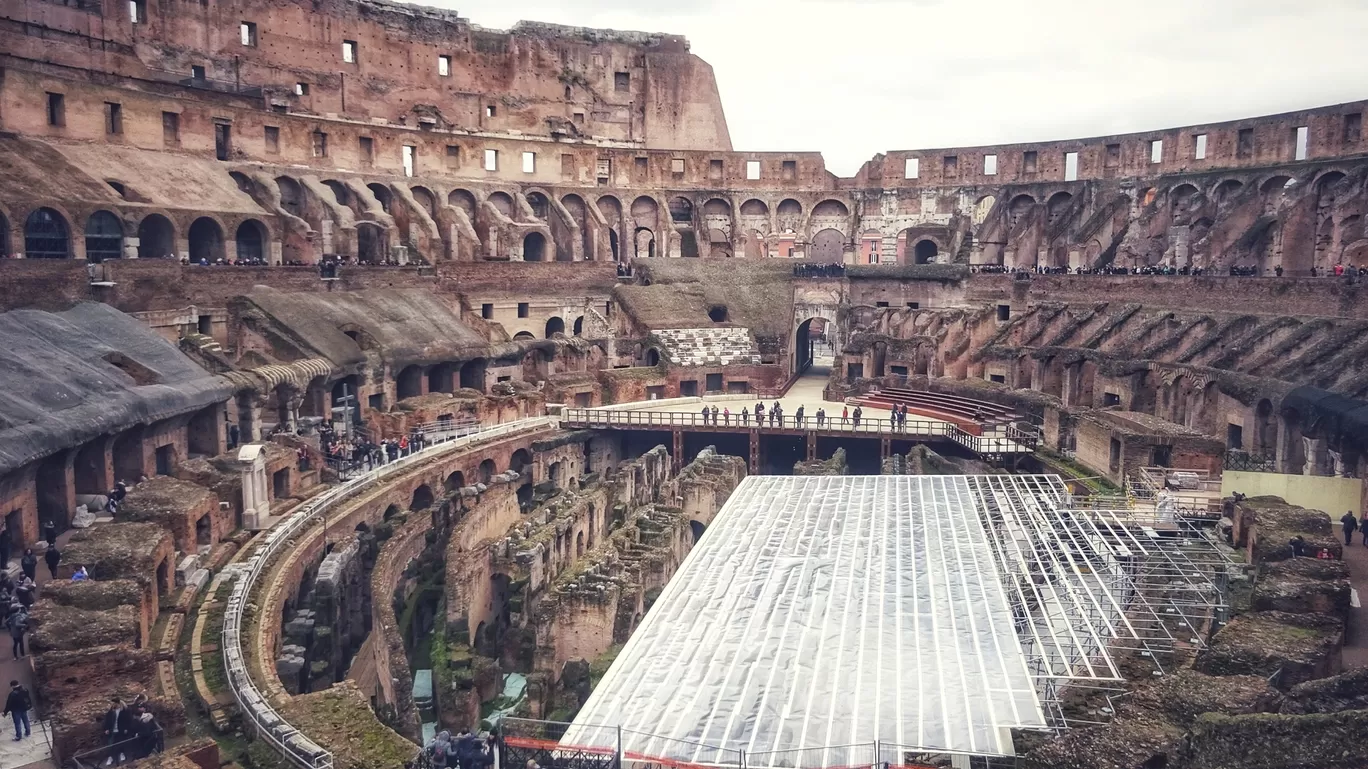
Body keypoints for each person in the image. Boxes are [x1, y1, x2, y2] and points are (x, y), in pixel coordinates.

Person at [103, 696, 133, 765]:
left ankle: (121, 754)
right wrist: (106, 729)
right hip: (112, 730)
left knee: (120, 743)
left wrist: (126, 728)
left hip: (121, 730)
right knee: (110, 744)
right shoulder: (111, 711)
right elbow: (107, 721)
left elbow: (128, 720)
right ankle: (110, 757)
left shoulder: (125, 711)